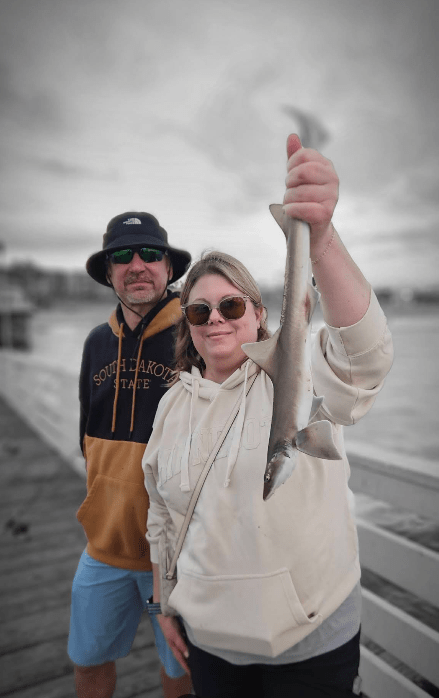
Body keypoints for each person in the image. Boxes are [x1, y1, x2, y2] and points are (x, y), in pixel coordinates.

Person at [142, 134, 394, 698]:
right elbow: (160, 516)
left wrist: (321, 236)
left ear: (258, 315)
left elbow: (367, 360)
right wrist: (162, 603)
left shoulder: (294, 376)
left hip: (312, 644)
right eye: (200, 310)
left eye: (231, 306)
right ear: (187, 324)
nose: (216, 320)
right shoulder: (171, 407)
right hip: (209, 644)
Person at [67, 212, 193, 698]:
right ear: (108, 271)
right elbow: (87, 433)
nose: (136, 264)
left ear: (168, 267)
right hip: (105, 545)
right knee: (87, 659)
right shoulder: (98, 342)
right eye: (122, 255)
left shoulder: (197, 333)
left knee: (180, 667)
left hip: (179, 552)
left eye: (149, 253)